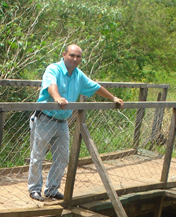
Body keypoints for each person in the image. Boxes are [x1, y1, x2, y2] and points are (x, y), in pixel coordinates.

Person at [28, 44, 124, 201]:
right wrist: (57, 97)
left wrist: (112, 97)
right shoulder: (53, 69)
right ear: (64, 54)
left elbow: (95, 87)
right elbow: (51, 86)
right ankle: (34, 189)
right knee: (38, 156)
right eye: (72, 55)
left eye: (78, 56)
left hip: (62, 121)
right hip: (45, 118)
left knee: (62, 157)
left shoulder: (78, 75)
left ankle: (52, 189)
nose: (75, 59)